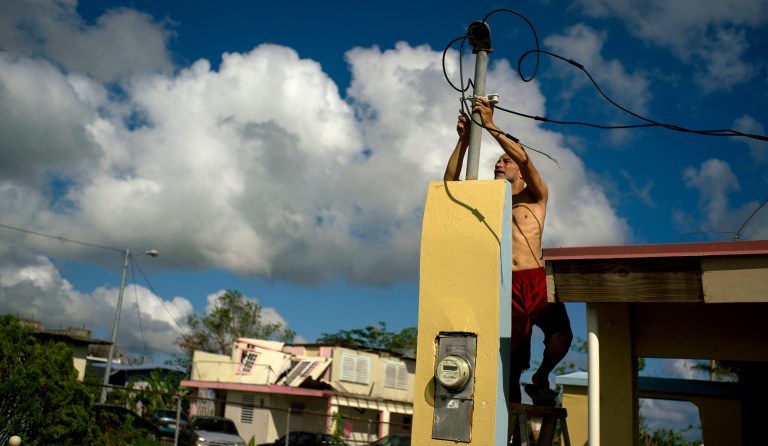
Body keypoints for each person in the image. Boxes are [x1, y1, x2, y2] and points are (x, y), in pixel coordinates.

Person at [444, 97, 573, 407]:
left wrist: (489, 125)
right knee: (510, 366)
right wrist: (463, 141)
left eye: (505, 161)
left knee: (561, 337)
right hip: (506, 285)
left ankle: (542, 376)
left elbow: (526, 160)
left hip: (537, 279)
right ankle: (510, 431)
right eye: (497, 162)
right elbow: (450, 183)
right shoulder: (488, 204)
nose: (499, 164)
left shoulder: (535, 196)